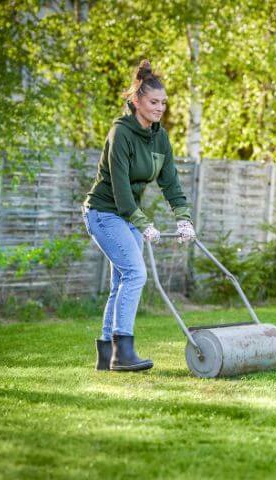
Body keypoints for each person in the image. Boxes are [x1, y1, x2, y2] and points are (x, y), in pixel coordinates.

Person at [81, 59, 196, 372]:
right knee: (136, 274)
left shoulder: (160, 137)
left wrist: (183, 218)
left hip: (127, 216)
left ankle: (106, 357)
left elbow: (170, 180)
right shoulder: (121, 134)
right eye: (153, 102)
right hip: (103, 213)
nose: (160, 108)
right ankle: (123, 353)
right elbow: (120, 193)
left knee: (122, 282)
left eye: (163, 103)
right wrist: (145, 225)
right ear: (136, 102)